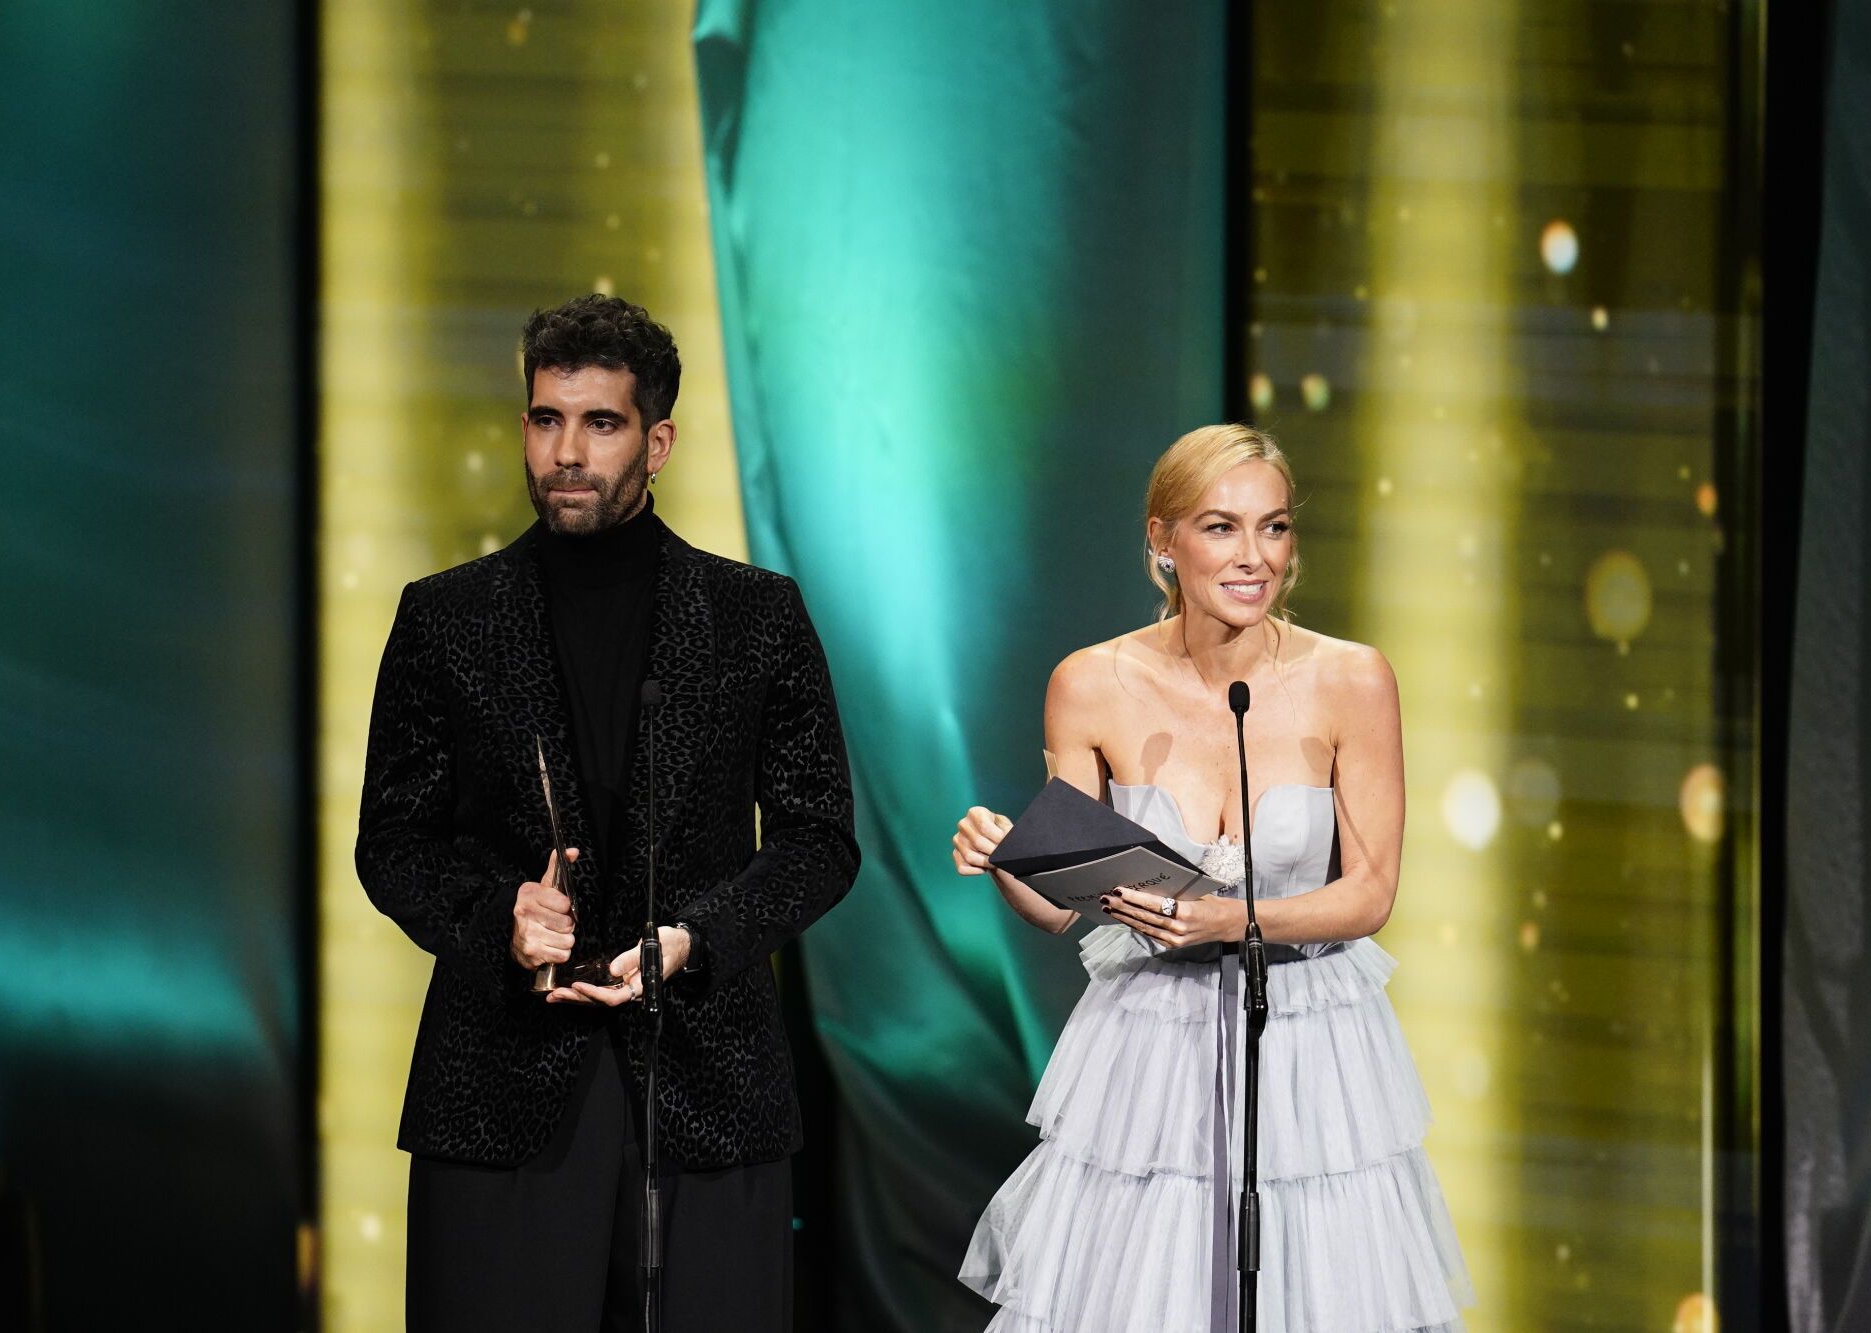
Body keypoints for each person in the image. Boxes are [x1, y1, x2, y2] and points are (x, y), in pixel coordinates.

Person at [357, 293, 859, 1332]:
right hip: (498, 1083)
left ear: (657, 439)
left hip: (705, 1082)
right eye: (545, 420)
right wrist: (498, 913)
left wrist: (693, 941)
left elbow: (817, 839)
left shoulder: (755, 617)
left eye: (600, 423)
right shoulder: (444, 618)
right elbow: (392, 842)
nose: (566, 453)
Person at [952, 425, 1472, 1332]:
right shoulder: (1091, 683)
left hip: (1309, 1038)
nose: (1253, 557)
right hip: (1151, 1051)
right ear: (1163, 541)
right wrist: (1005, 860)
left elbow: (1371, 892)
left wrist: (1230, 921)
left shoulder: (1353, 679)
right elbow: (1059, 909)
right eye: (1221, 527)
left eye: (1273, 528)